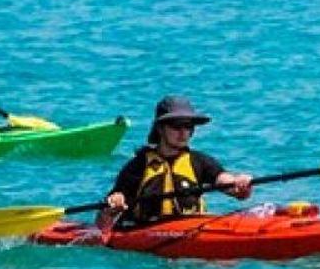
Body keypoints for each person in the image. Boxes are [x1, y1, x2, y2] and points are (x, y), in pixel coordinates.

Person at [101, 96, 255, 227]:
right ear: (160, 129)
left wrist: (239, 184)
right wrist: (114, 205)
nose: (183, 133)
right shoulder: (137, 167)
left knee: (225, 264)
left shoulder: (200, 161)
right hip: (147, 234)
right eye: (176, 126)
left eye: (188, 126)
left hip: (192, 230)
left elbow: (225, 181)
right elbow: (104, 219)